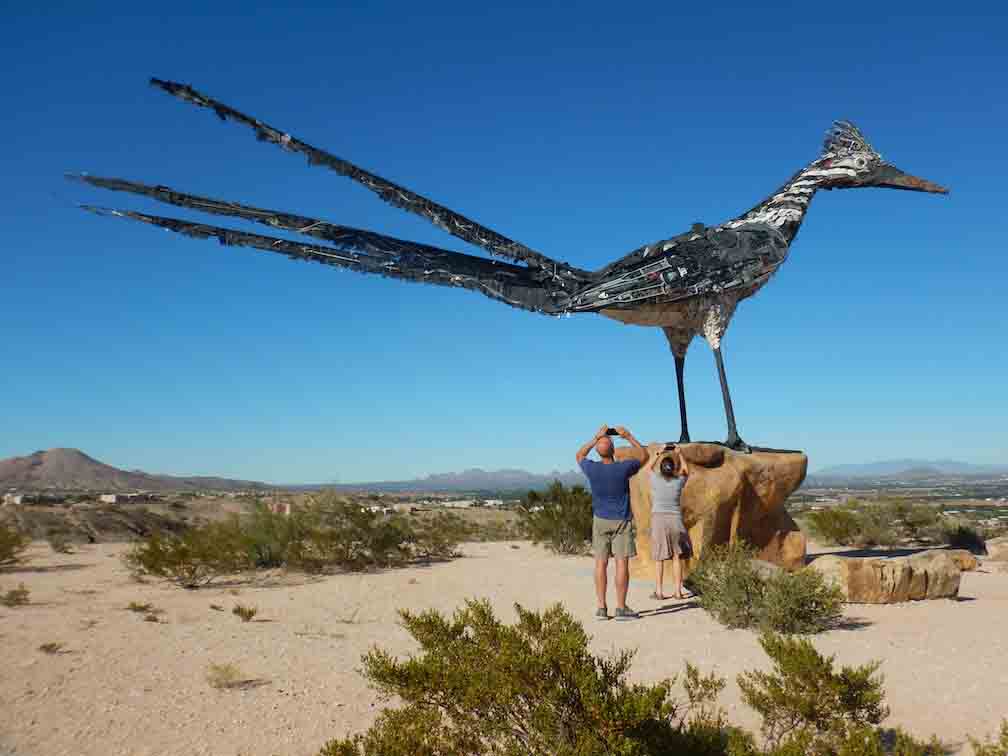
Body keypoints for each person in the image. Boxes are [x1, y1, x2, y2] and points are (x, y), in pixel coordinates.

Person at [575, 424, 648, 621]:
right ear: (614, 450)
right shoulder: (623, 468)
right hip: (621, 521)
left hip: (600, 520)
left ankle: (601, 608)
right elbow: (644, 456)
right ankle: (621, 608)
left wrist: (595, 438)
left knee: (600, 564)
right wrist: (628, 436)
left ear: (599, 452)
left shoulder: (592, 469)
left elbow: (579, 455)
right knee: (621, 564)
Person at [648, 444, 693, 600]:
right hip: (675, 519)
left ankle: (659, 591)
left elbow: (649, 467)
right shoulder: (678, 482)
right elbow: (686, 471)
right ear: (674, 469)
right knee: (677, 556)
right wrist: (680, 454)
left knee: (659, 557)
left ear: (661, 469)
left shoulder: (655, 480)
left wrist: (660, 451)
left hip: (659, 519)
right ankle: (678, 591)